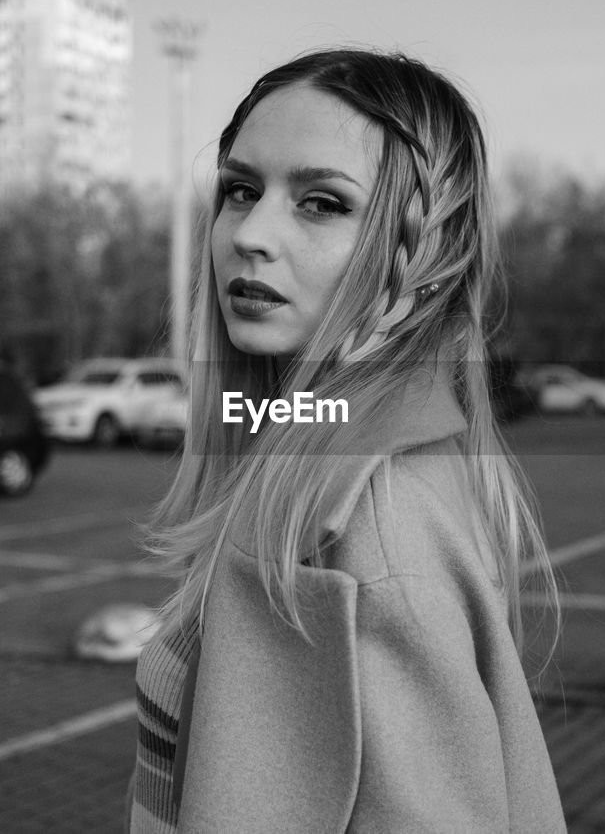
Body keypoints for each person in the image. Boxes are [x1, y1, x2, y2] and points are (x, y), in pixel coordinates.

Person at [128, 48, 564, 833]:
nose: (249, 234)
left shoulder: (368, 526)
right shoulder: (305, 468)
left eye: (321, 202)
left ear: (426, 253)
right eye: (240, 189)